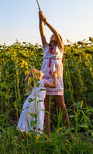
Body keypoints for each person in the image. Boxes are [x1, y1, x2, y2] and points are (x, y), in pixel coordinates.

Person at [39, 10, 72, 138]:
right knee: (45, 110)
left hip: (56, 81)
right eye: (51, 36)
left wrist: (46, 22)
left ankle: (70, 134)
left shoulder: (60, 49)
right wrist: (39, 20)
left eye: (54, 36)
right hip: (45, 81)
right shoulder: (46, 48)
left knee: (62, 108)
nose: (52, 36)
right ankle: (48, 136)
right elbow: (41, 33)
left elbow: (56, 33)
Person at [17, 68, 57, 135]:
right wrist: (55, 76)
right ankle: (35, 139)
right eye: (37, 71)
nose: (39, 70)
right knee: (37, 119)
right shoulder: (43, 82)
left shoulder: (34, 84)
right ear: (36, 76)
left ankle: (19, 140)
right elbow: (54, 85)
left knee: (26, 119)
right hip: (37, 104)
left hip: (29, 102)